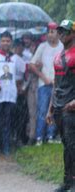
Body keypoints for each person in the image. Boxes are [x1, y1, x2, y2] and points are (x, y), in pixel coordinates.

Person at [47, 19, 75, 192]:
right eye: (60, 31)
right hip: (58, 106)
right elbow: (56, 84)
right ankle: (67, 181)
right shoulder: (58, 56)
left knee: (73, 144)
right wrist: (50, 108)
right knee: (66, 144)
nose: (62, 34)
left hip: (71, 107)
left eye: (65, 31)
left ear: (73, 33)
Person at [29, 22, 64, 145]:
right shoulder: (42, 47)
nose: (50, 34)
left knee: (55, 110)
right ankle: (39, 137)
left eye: (52, 31)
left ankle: (51, 136)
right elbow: (31, 64)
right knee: (42, 110)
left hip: (58, 83)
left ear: (58, 33)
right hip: (44, 84)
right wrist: (43, 77)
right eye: (48, 32)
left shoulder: (62, 47)